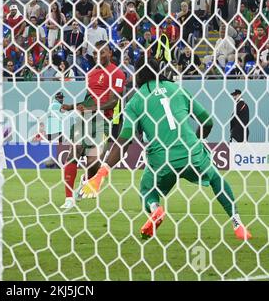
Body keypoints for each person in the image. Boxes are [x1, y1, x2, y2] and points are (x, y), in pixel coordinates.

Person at [80, 56, 252, 241]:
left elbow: (124, 140)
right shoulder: (177, 89)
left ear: (138, 74)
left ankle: (155, 210)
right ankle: (237, 223)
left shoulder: (135, 102)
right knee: (216, 179)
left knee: (147, 191)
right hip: (191, 152)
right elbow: (207, 122)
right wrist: (198, 140)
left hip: (162, 159)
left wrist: (101, 174)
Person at [60, 41, 126, 210]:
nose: (98, 56)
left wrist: (91, 108)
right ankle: (69, 198)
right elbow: (88, 100)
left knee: (93, 161)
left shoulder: (117, 74)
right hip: (84, 119)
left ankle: (86, 182)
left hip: (102, 121)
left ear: (110, 53)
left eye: (102, 52)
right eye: (95, 53)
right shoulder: (90, 74)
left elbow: (112, 102)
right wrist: (72, 106)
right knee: (74, 153)